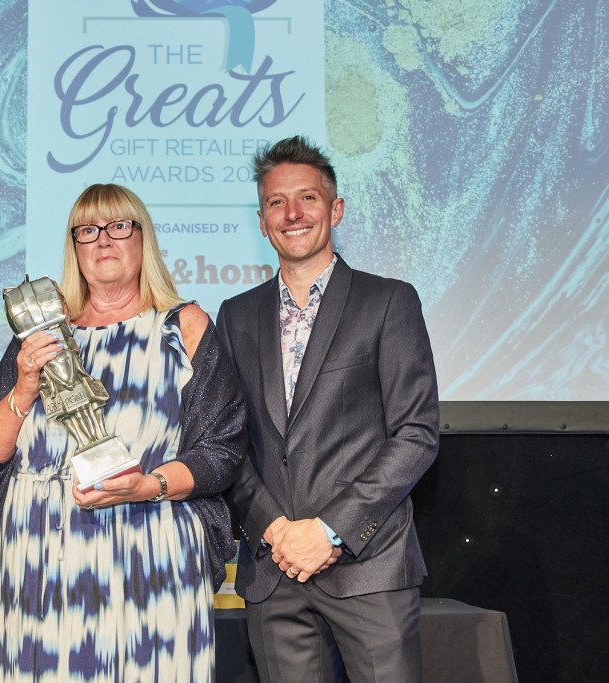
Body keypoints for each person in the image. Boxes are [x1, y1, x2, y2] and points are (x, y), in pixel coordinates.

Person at [0, 183, 246, 682]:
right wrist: (23, 390)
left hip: (150, 558)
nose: (104, 240)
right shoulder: (39, 335)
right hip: (39, 565)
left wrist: (145, 485)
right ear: (74, 247)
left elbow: (221, 451)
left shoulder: (184, 327)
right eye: (87, 230)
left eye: (120, 226)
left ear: (143, 239)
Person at [216, 136, 440, 683]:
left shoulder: (388, 301)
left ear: (334, 209)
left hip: (369, 569)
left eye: (307, 198)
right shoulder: (235, 315)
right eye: (276, 203)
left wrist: (329, 531)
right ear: (263, 221)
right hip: (275, 571)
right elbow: (227, 442)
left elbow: (416, 434)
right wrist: (274, 530)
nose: (292, 214)